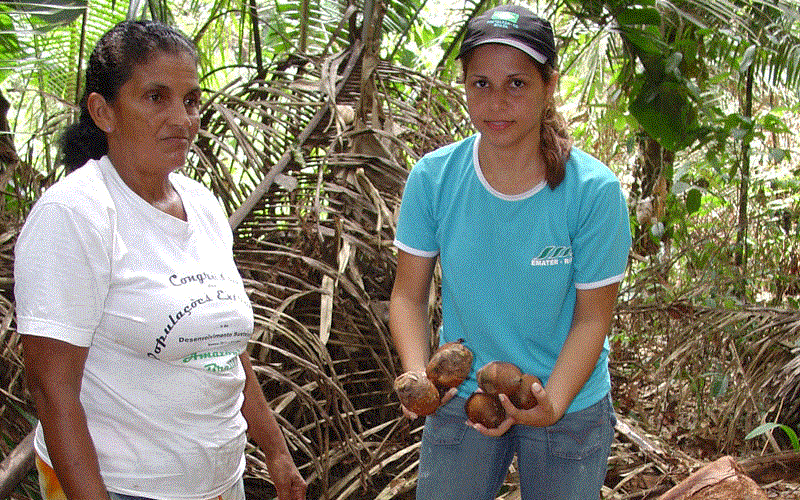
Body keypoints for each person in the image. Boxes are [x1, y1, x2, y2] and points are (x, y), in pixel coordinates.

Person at [14, 20, 307, 500]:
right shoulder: (75, 215)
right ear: (102, 111)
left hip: (219, 482)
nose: (183, 119)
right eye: (156, 98)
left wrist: (275, 450)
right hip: (123, 486)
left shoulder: (204, 206)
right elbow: (51, 389)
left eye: (191, 100)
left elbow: (223, 345)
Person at [389, 5, 631, 500]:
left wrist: (554, 402)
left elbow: (592, 320)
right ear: (464, 86)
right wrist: (421, 378)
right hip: (465, 398)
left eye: (516, 83)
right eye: (481, 84)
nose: (497, 102)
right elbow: (408, 296)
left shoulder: (593, 192)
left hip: (569, 400)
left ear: (549, 86)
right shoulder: (434, 179)